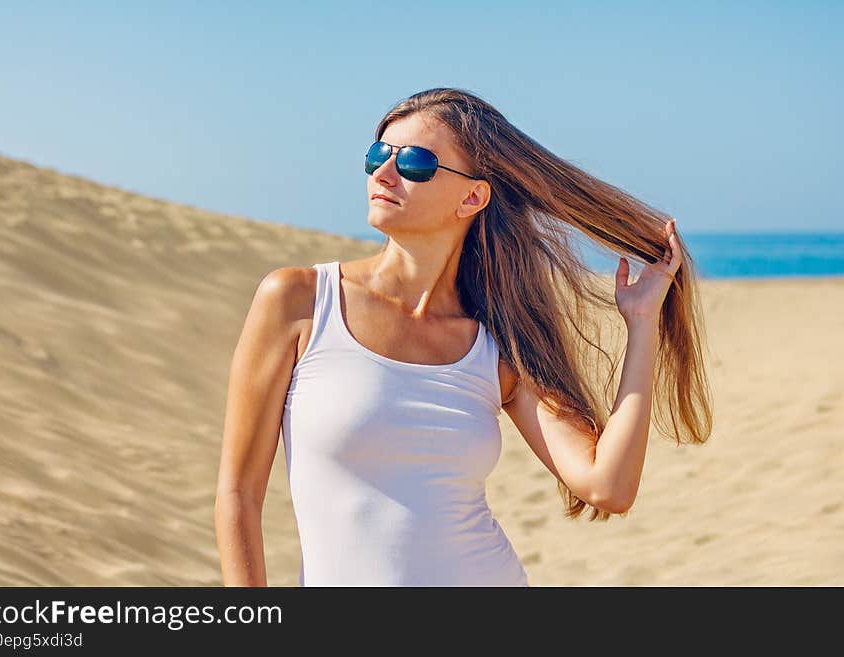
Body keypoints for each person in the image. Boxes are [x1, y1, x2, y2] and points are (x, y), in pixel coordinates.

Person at [214, 87, 713, 587]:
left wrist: (643, 320)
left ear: (473, 195)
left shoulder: (494, 346)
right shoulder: (300, 300)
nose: (383, 174)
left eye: (414, 162)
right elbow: (239, 493)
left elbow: (608, 485)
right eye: (376, 156)